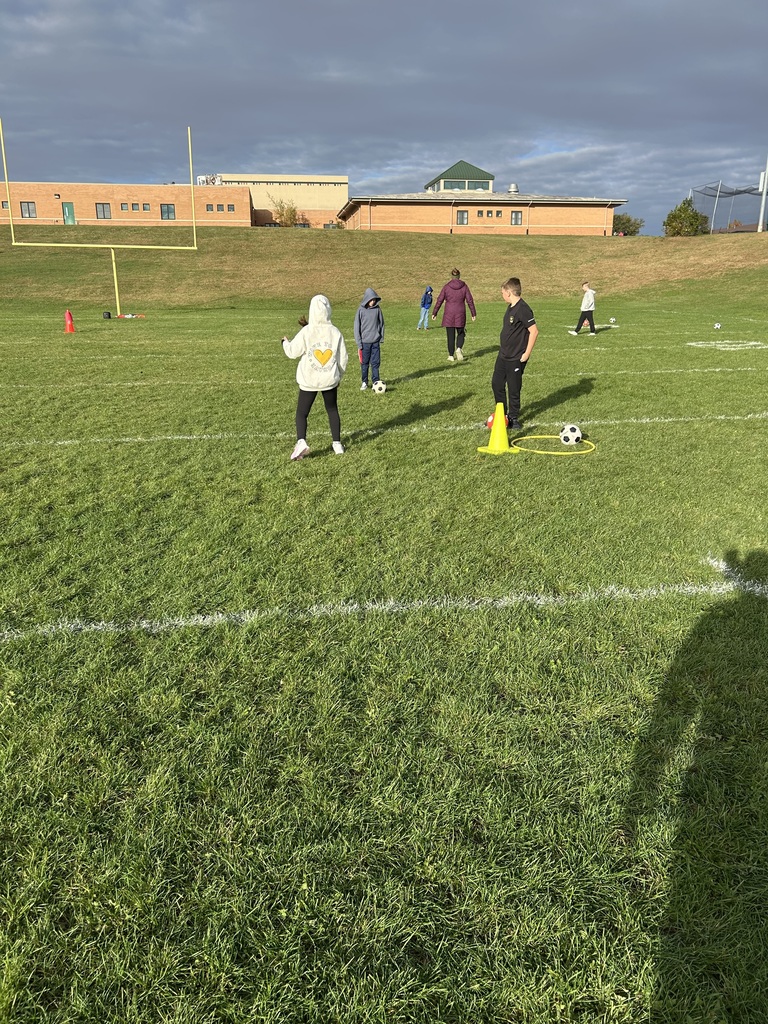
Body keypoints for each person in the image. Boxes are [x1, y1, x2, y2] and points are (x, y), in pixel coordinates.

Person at [282, 294, 348, 460]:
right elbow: (343, 357)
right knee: (332, 410)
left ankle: (301, 440)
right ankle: (337, 443)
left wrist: (284, 343)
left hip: (309, 380)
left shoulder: (307, 331)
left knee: (302, 413)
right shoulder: (335, 332)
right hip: (329, 380)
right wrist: (339, 375)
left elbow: (292, 352)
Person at [489, 277, 538, 430]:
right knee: (497, 384)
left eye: (503, 292)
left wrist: (526, 353)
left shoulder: (523, 309)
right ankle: (501, 415)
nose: (502, 295)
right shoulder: (511, 306)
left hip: (516, 356)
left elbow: (534, 331)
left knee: (514, 387)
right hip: (503, 355)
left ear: (509, 292)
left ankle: (514, 418)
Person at [432, 268, 476, 361]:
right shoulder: (464, 286)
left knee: (450, 335)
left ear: (451, 277)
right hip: (460, 312)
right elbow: (470, 300)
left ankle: (451, 356)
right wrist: (473, 313)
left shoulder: (446, 287)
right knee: (461, 333)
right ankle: (459, 348)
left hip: (449, 314)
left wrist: (435, 312)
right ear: (459, 276)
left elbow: (440, 300)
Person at [354, 287, 384, 390]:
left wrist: (381, 337)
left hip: (375, 342)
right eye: (371, 299)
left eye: (374, 299)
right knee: (365, 364)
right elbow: (356, 327)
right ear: (367, 299)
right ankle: (364, 382)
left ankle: (376, 382)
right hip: (364, 343)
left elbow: (381, 323)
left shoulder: (377, 309)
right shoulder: (360, 310)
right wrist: (359, 343)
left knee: (375, 363)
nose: (373, 301)